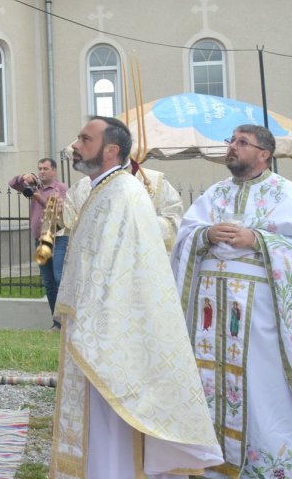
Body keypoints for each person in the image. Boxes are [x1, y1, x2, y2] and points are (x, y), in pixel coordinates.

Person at [51, 116, 221, 478]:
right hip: (94, 322)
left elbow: (122, 268)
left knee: (112, 422)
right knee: (99, 419)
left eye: (85, 138)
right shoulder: (103, 189)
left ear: (111, 150)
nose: (75, 145)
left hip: (111, 329)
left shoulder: (123, 194)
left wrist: (94, 323)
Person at [172, 124, 292, 477]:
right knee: (205, 378)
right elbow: (184, 236)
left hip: (260, 316)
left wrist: (258, 240)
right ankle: (207, 462)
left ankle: (265, 461)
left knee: (262, 384)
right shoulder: (214, 193)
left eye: (243, 143)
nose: (233, 147)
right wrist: (206, 233)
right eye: (232, 141)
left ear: (264, 154)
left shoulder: (287, 194)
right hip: (210, 312)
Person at [64, 157, 184, 251]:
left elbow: (173, 222)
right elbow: (72, 226)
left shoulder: (155, 182)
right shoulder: (81, 188)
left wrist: (133, 223)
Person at [9, 158, 68, 325]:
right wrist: (24, 177)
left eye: (46, 168)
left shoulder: (60, 188)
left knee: (59, 279)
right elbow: (12, 184)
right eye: (39, 168)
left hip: (58, 238)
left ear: (54, 171)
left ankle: (66, 320)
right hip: (41, 240)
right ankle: (57, 323)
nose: (42, 171)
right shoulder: (35, 187)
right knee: (49, 282)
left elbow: (60, 210)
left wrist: (38, 198)